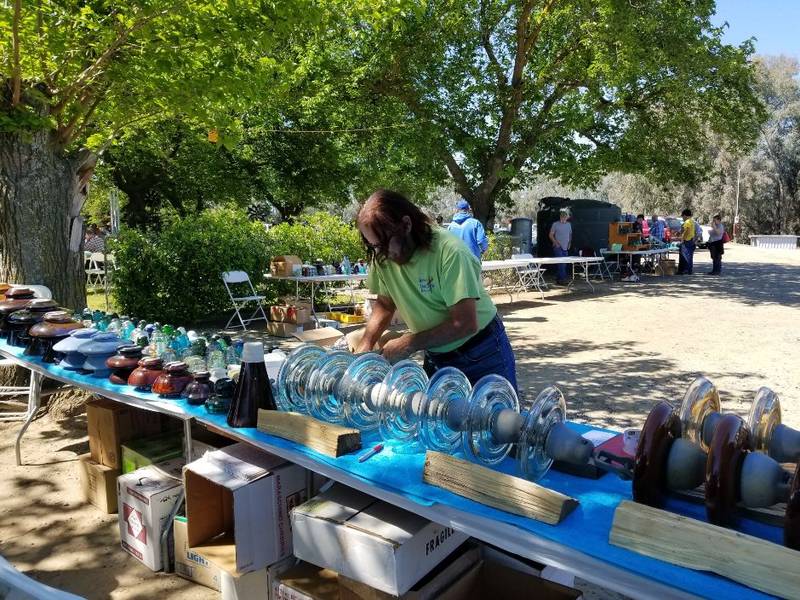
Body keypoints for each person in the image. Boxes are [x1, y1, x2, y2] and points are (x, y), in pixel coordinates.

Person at [356, 189, 517, 389]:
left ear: (406, 225)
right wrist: (366, 343)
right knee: (435, 410)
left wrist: (409, 342)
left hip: (482, 352)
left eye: (384, 243)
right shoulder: (382, 256)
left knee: (495, 408)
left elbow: (465, 323)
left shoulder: (450, 252)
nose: (381, 254)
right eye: (373, 246)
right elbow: (385, 304)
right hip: (437, 354)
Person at [549, 209, 572, 285]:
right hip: (557, 247)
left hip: (566, 247)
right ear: (560, 217)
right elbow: (550, 235)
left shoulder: (569, 225)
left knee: (564, 264)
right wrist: (555, 243)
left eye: (565, 217)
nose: (563, 218)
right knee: (561, 263)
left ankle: (558, 278)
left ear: (567, 217)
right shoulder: (555, 224)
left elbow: (570, 234)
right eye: (562, 216)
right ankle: (563, 279)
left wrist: (569, 243)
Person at [677, 208, 695, 275]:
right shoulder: (692, 221)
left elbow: (683, 229)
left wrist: (678, 233)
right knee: (689, 256)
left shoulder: (687, 222)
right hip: (691, 240)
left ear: (685, 215)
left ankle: (685, 270)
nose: (682, 218)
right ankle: (689, 270)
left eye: (682, 216)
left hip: (687, 241)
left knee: (685, 256)